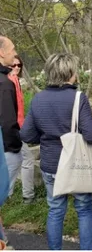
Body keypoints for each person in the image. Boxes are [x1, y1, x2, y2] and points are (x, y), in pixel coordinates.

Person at [20, 53, 92, 250]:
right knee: (83, 209)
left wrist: (48, 136)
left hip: (51, 165)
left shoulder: (38, 99)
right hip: (75, 164)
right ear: (70, 73)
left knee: (55, 210)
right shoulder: (78, 98)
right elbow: (91, 136)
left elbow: (27, 135)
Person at [8, 55, 35, 204]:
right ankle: (27, 196)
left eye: (19, 65)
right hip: (13, 129)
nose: (17, 67)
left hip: (18, 127)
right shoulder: (10, 81)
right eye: (14, 65)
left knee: (16, 160)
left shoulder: (15, 81)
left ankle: (9, 194)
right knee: (27, 160)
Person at [0, 37, 22, 201]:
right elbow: (7, 121)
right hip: (6, 149)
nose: (15, 53)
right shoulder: (4, 84)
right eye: (12, 49)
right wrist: (15, 147)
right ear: (1, 52)